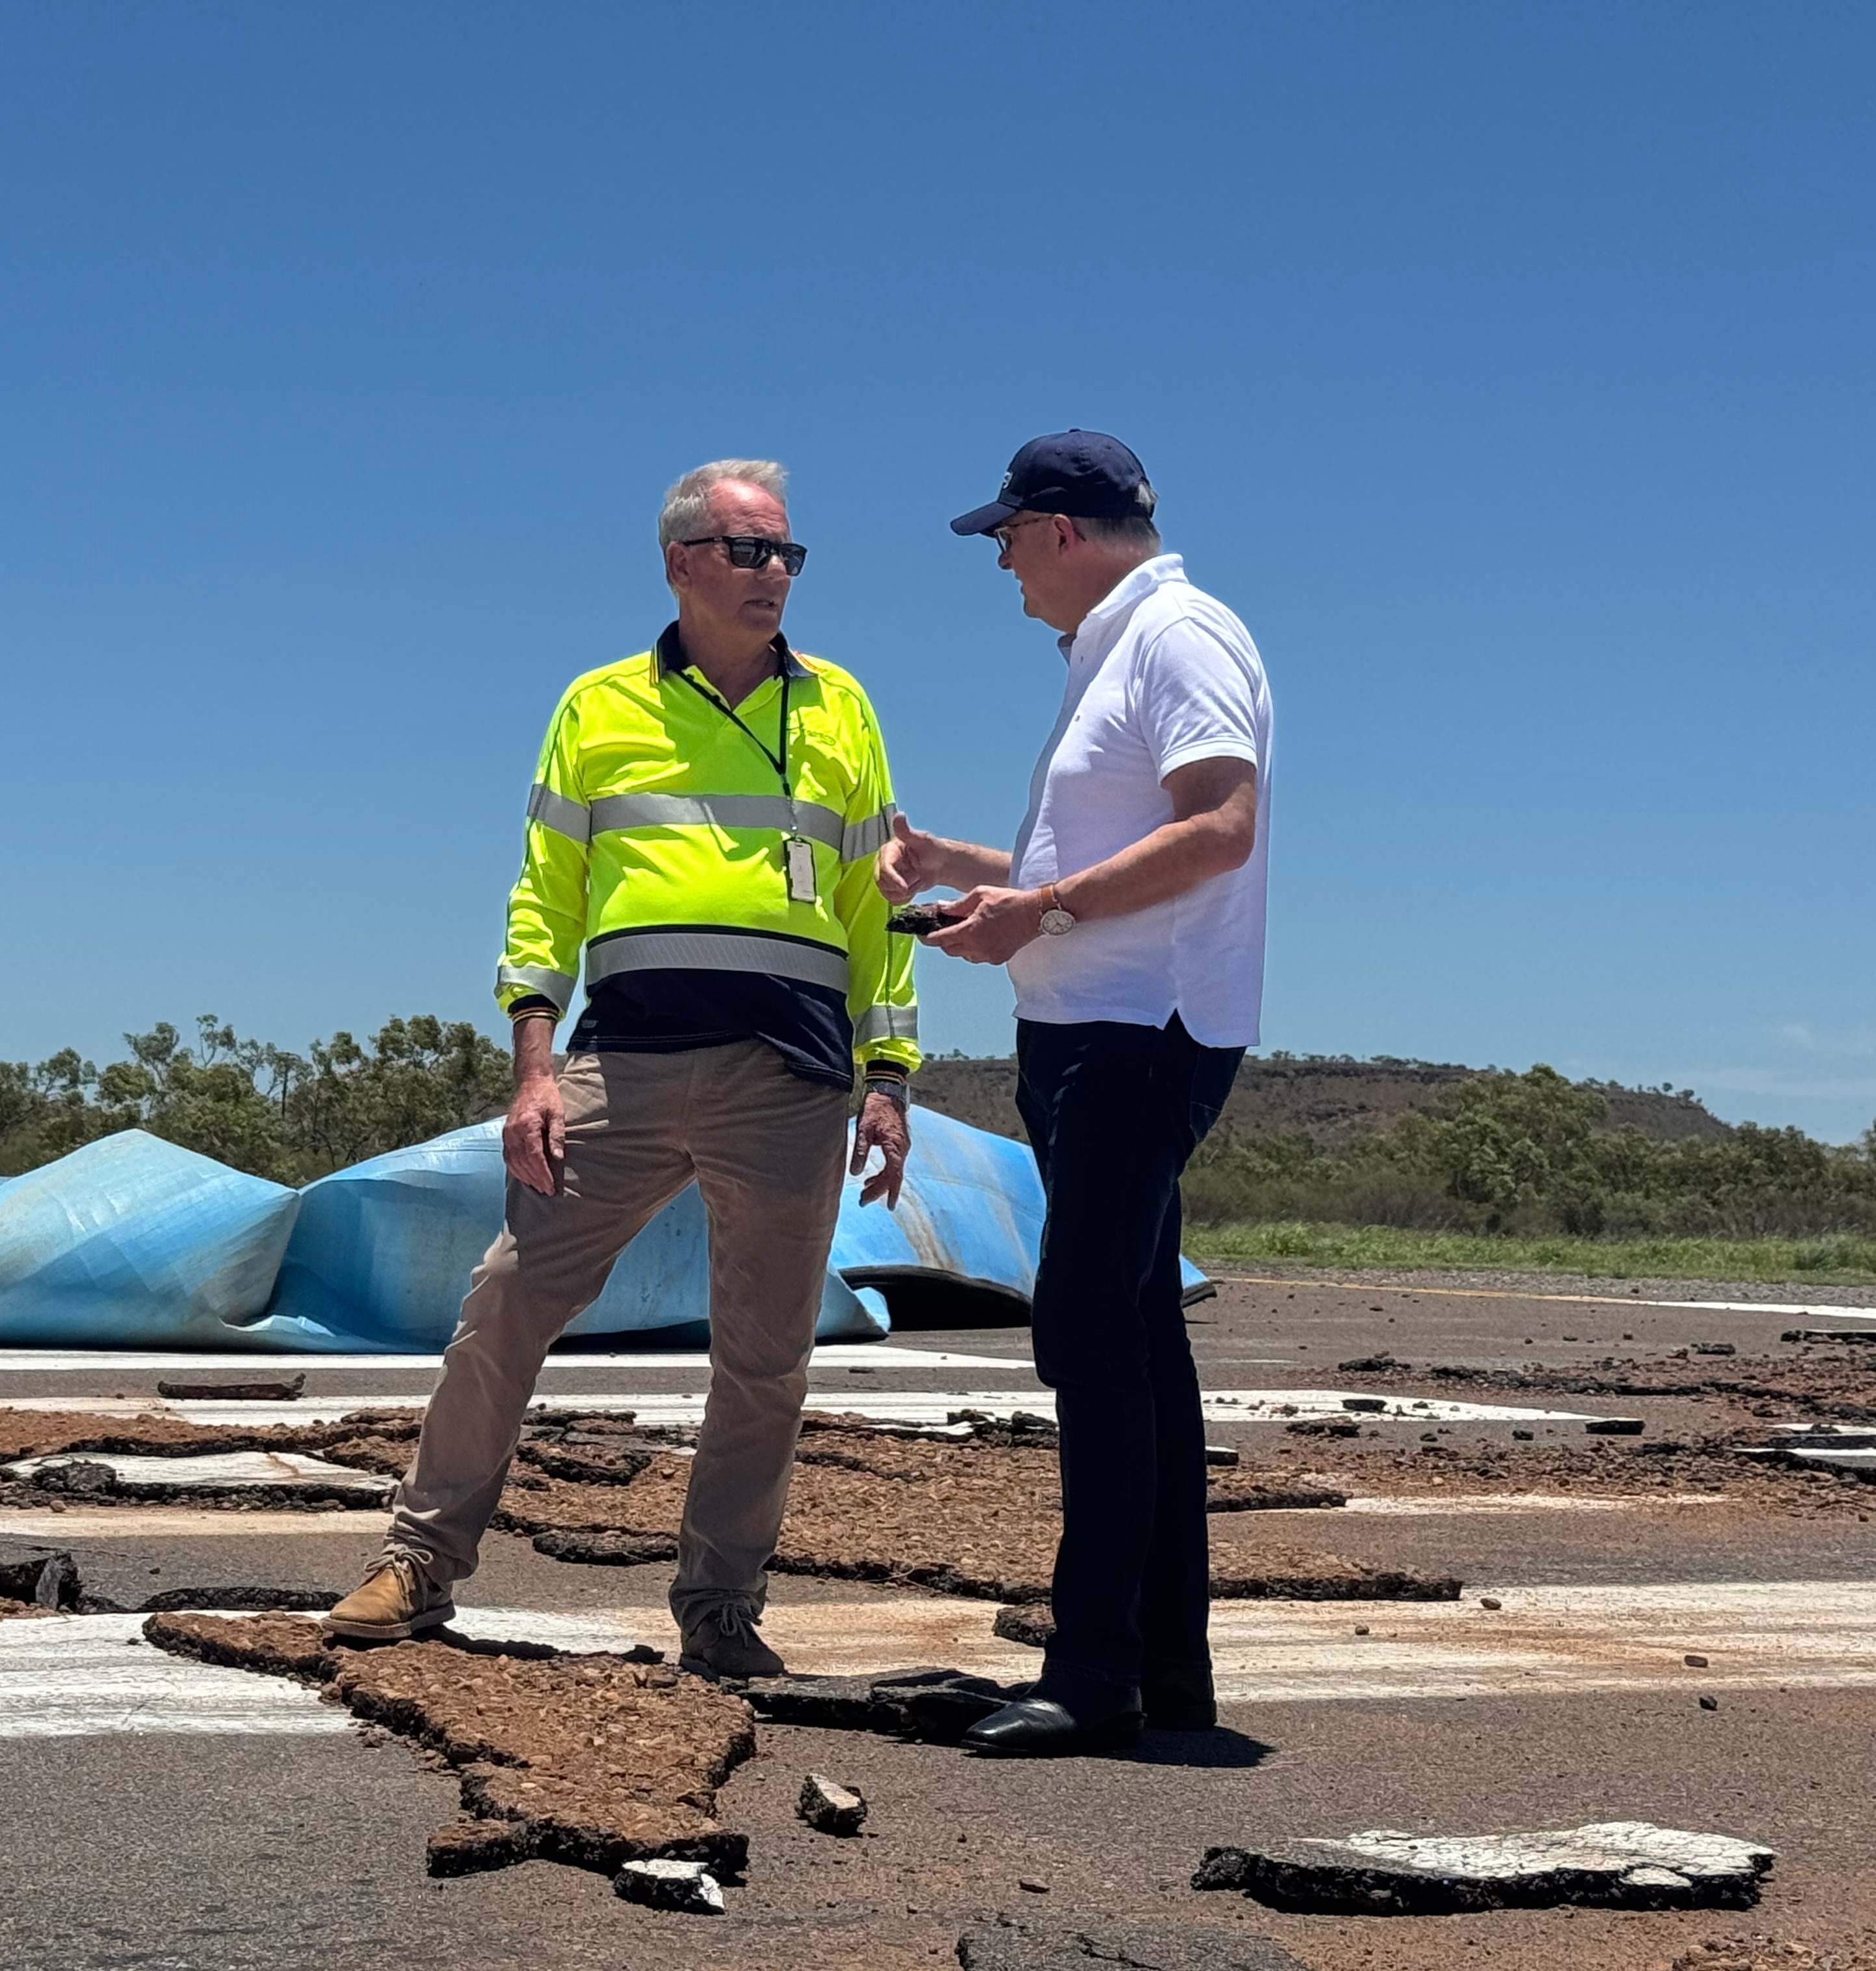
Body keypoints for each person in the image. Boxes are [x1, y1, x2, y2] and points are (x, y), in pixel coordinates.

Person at [323, 458, 921, 1679]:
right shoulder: (597, 707)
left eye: (789, 556)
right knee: (507, 1301)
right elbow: (545, 898)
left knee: (763, 1359)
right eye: (751, 552)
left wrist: (890, 1072)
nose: (775, 577)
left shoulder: (842, 709)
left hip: (793, 1077)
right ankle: (421, 1561)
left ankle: (719, 1608)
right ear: (681, 562)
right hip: (623, 1069)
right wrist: (533, 1068)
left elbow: (876, 902)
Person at [878, 430, 1272, 1753]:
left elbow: (1221, 826)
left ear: (1056, 529)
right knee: (1139, 1350)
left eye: (1003, 539)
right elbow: (1101, 856)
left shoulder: (1181, 635)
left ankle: (1093, 1672)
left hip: (1136, 1039)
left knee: (1091, 1345)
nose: (1000, 566)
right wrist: (977, 869)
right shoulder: (1115, 650)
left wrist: (1032, 910)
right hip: (1097, 1035)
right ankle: (1165, 1674)